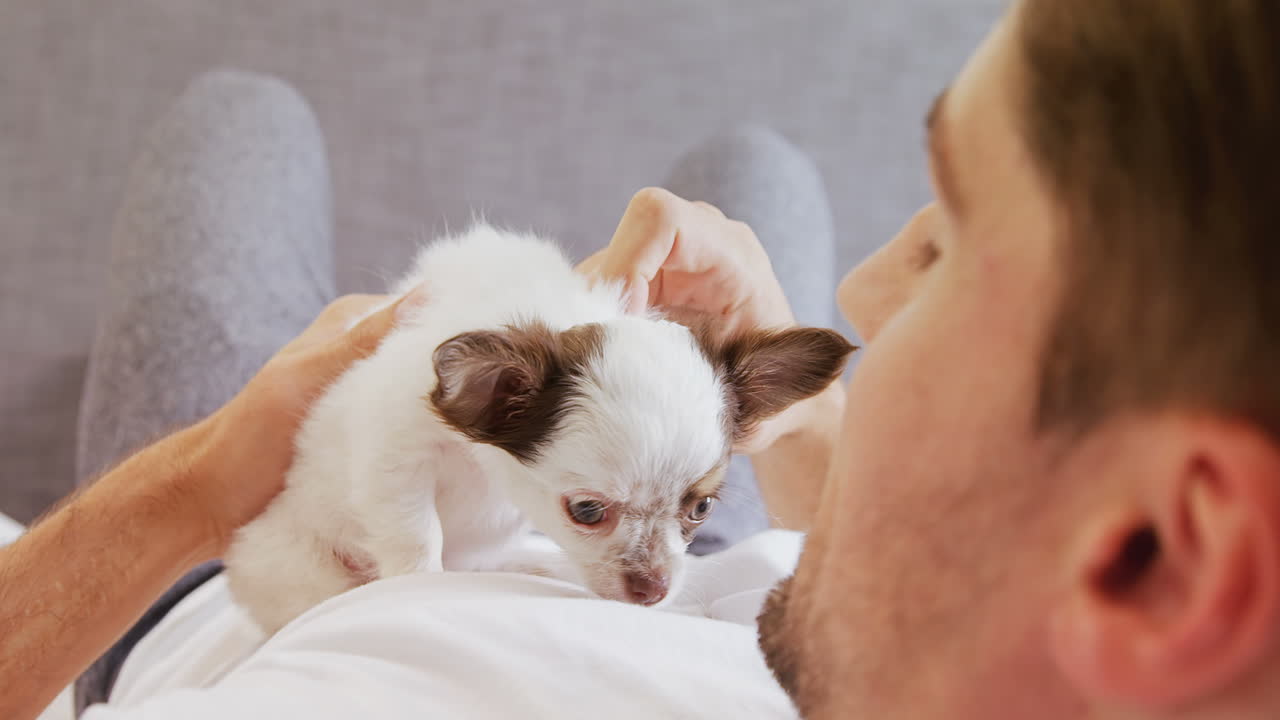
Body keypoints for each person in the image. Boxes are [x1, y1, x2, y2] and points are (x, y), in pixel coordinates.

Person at [4, 0, 1280, 718]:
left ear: (1166, 560)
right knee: (755, 172)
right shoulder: (914, 634)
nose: (856, 293)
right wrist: (779, 427)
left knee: (241, 120)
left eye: (939, 246)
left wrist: (190, 488)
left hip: (238, 564)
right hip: (715, 527)